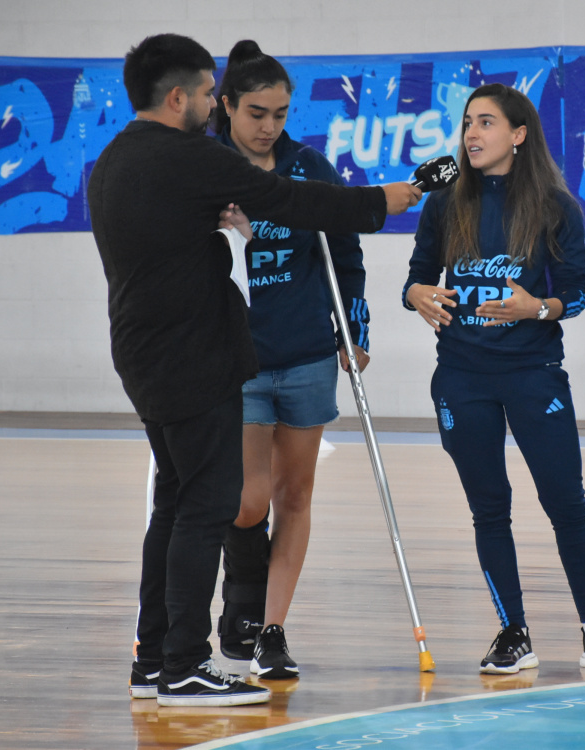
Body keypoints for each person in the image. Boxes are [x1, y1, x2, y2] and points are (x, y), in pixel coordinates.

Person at [88, 33, 420, 707]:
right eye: (209, 93)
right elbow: (294, 202)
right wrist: (383, 199)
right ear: (177, 97)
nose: (213, 104)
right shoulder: (192, 158)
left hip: (143, 354)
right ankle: (185, 665)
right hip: (196, 357)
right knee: (206, 507)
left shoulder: (114, 159)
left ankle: (153, 659)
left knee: (175, 503)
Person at [402, 83, 585, 675]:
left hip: (534, 374)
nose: (472, 133)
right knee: (490, 509)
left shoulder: (556, 206)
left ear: (518, 134)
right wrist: (416, 294)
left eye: (486, 122)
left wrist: (538, 308)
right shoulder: (444, 201)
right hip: (462, 377)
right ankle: (512, 632)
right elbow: (416, 277)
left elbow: (576, 294)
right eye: (467, 123)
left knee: (566, 502)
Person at [210, 40, 372, 680]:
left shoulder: (309, 167)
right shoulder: (206, 168)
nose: (268, 126)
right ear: (226, 105)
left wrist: (353, 331)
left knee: (295, 496)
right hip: (239, 360)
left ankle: (271, 631)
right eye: (256, 113)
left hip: (307, 357)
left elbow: (347, 257)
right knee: (248, 501)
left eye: (279, 114)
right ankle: (241, 598)